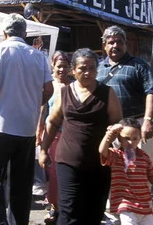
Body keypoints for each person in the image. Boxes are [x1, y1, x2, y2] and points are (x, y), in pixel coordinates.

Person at [0, 14, 54, 225]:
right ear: (24, 34)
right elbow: (48, 89)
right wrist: (33, 103)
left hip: (1, 126)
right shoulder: (38, 56)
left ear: (5, 33)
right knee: (21, 183)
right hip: (27, 129)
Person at [40, 48, 122, 225]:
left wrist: (125, 151)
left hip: (100, 163)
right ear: (73, 70)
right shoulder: (65, 93)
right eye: (82, 68)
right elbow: (53, 122)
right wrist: (44, 149)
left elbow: (117, 124)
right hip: (68, 162)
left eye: (92, 68)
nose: (88, 73)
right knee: (69, 212)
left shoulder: (107, 93)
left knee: (94, 212)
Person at [96, 26, 153, 166]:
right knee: (115, 170)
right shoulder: (98, 69)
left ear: (125, 44)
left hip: (137, 125)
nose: (115, 45)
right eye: (111, 42)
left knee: (142, 169)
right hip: (111, 128)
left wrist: (148, 121)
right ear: (104, 45)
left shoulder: (138, 65)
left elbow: (151, 92)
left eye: (119, 42)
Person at [99, 118, 153, 225]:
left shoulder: (144, 157)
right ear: (119, 139)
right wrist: (110, 135)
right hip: (125, 203)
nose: (131, 142)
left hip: (144, 204)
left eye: (135, 138)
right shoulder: (116, 155)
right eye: (126, 138)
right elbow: (102, 151)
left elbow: (152, 176)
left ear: (140, 138)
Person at [36, 51, 71, 224]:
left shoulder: (74, 85)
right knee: (51, 174)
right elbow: (43, 111)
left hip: (70, 136)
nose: (62, 70)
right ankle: (53, 207)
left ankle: (64, 207)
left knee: (65, 173)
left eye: (65, 66)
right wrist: (38, 133)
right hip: (51, 135)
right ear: (53, 66)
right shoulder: (49, 85)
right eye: (59, 66)